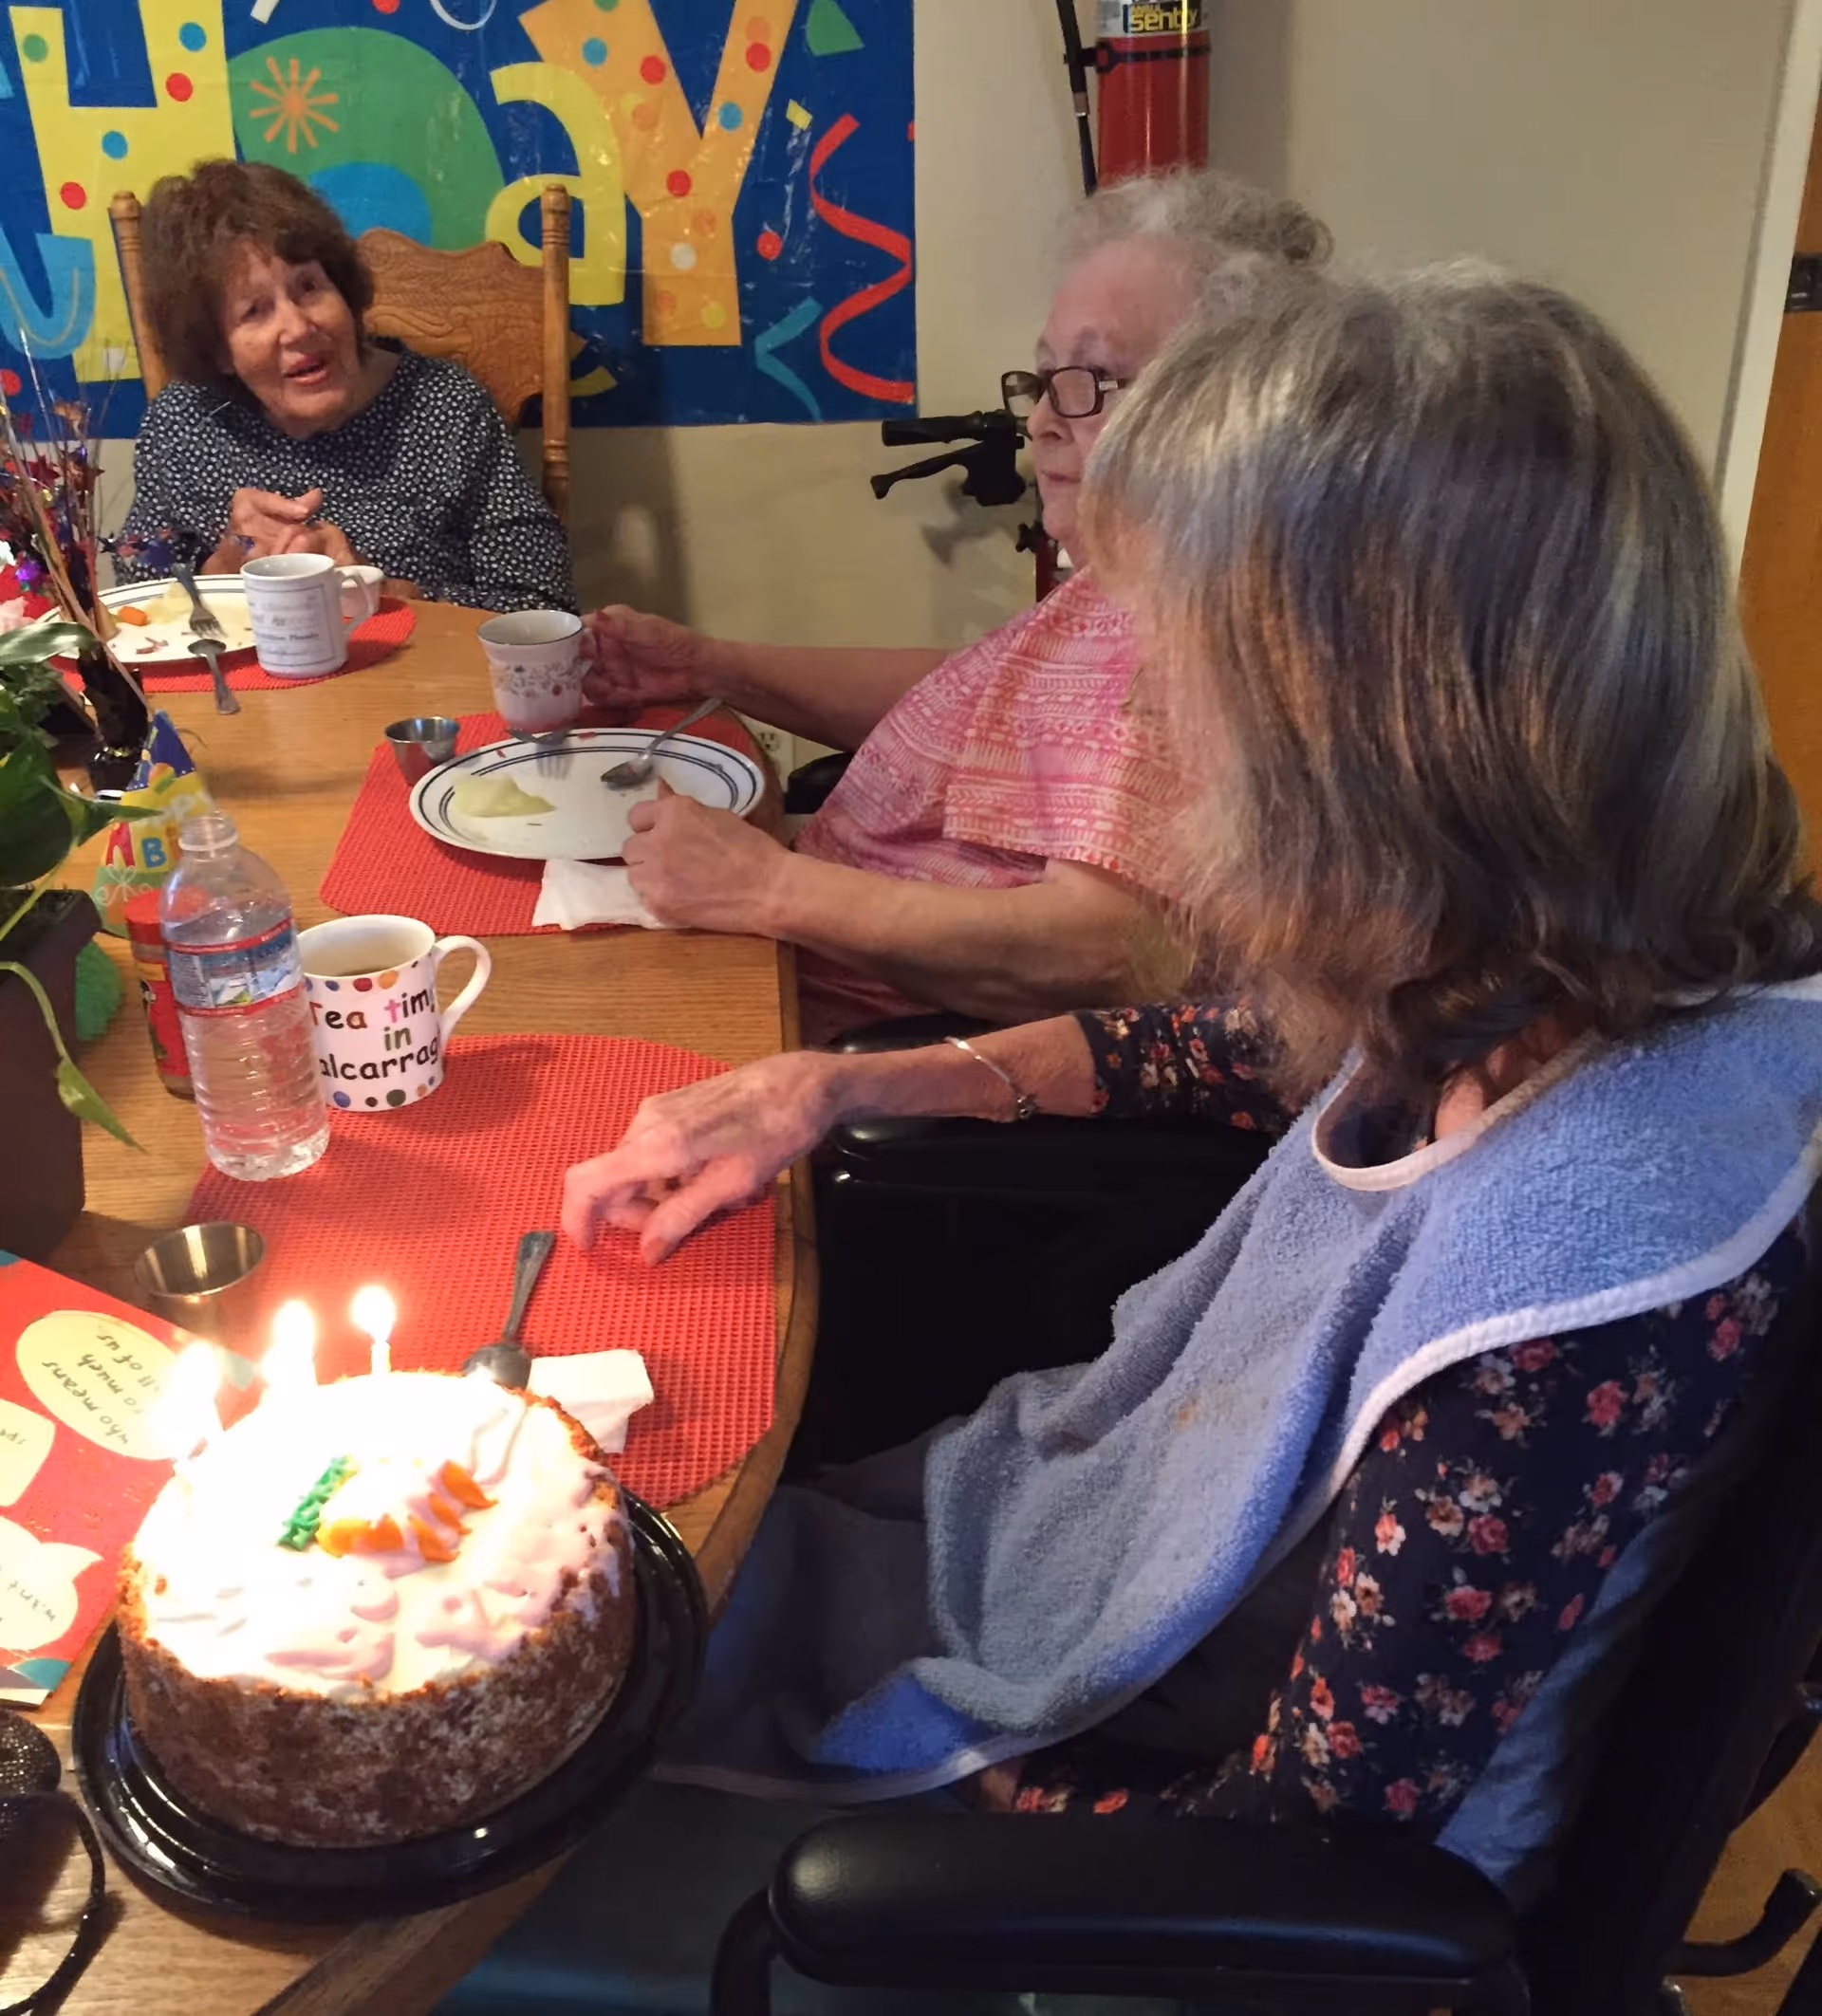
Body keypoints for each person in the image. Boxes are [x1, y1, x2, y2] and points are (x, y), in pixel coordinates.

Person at [561, 268, 1822, 1888]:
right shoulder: (1530, 956)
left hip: (1164, 1872)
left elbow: (1310, 1848)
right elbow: (1238, 1041)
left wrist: (935, 1799)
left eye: (1184, 679)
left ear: (1370, 743)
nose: (1162, 727)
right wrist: (843, 1087)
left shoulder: (1584, 1281)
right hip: (1117, 1656)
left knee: (541, 1735)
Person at [581, 169, 1331, 1042]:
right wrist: (710, 666)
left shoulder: (1202, 624)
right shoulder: (1129, 565)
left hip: (838, 1042)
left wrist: (768, 888)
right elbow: (981, 699)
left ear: (1230, 410)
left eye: (1094, 379)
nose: (1045, 421)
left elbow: (1109, 953)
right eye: (1046, 379)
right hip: (787, 953)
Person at [116, 159, 574, 616]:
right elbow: (133, 577)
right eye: (254, 310)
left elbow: (544, 609)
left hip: (412, 683)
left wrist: (377, 589)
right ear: (217, 350)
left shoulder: (446, 408)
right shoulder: (185, 420)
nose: (298, 327)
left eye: (309, 286)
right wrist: (224, 566)